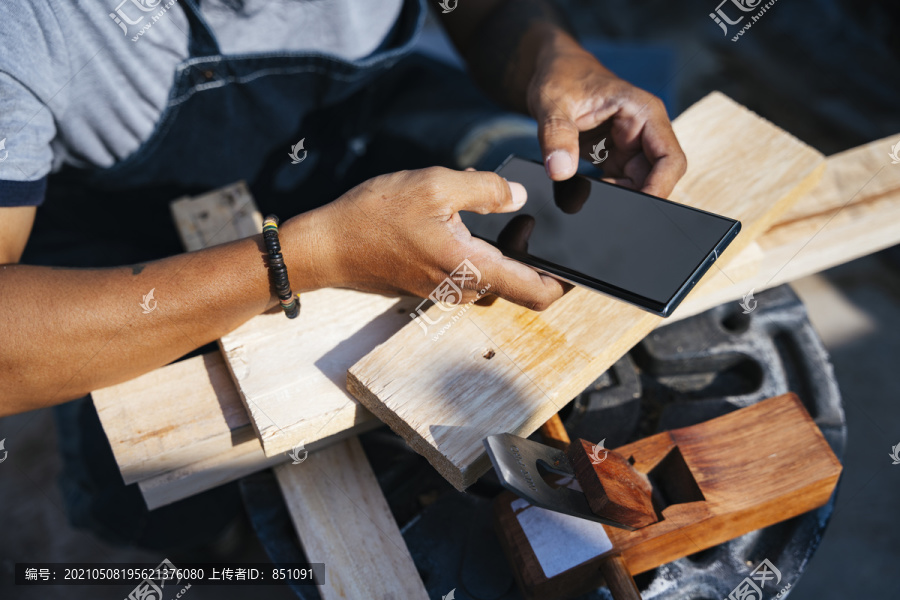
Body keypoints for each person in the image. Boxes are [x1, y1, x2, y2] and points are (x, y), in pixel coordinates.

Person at [0, 0, 686, 549]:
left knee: (541, 208)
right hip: (135, 243)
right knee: (172, 485)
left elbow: (477, 11)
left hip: (359, 124)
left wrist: (553, 55)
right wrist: (309, 255)